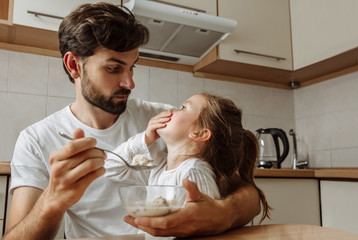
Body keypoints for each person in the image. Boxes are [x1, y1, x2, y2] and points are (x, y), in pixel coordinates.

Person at [4, 3, 261, 240]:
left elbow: (250, 196)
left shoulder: (165, 123)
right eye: (114, 68)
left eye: (132, 67)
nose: (130, 83)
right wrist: (53, 200)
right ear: (74, 66)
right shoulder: (36, 140)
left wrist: (221, 213)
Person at [105, 93, 270, 222]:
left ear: (200, 133)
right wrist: (145, 139)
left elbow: (202, 226)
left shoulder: (194, 172)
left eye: (183, 108)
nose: (171, 111)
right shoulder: (159, 165)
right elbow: (110, 167)